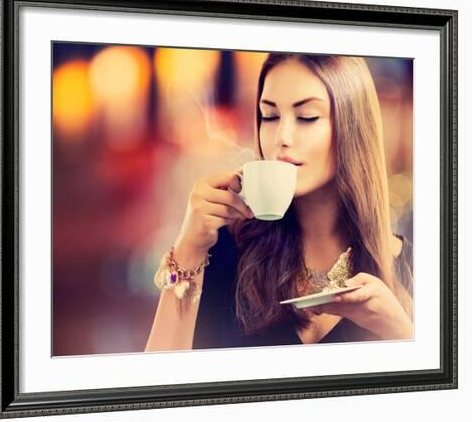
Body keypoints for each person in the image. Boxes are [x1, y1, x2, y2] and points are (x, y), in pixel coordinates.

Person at [145, 53, 413, 351]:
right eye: (270, 116)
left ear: (353, 129)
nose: (281, 137)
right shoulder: (224, 251)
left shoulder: (414, 268)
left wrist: (403, 336)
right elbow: (157, 384)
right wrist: (188, 249)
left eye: (307, 117)